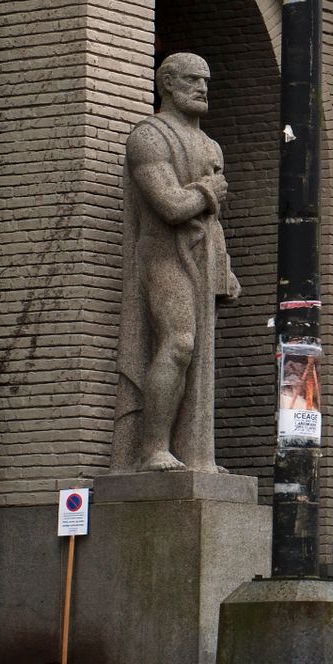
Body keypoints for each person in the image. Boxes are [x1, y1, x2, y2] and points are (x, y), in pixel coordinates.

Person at [112, 52, 239, 474]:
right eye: (192, 80)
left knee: (200, 358)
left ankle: (198, 455)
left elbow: (211, 222)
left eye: (206, 81)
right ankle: (152, 450)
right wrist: (207, 192)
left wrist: (224, 266)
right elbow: (169, 205)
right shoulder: (149, 137)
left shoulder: (211, 145)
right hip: (163, 255)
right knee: (180, 343)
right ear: (167, 83)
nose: (203, 88)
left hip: (202, 255)